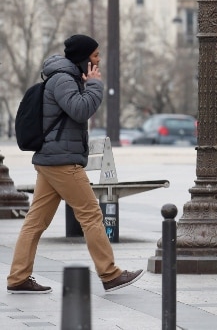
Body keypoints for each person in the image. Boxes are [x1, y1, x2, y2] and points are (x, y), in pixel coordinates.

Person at [7, 34, 144, 294]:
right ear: (83, 59)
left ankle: (18, 277)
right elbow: (80, 110)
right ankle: (110, 273)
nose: (98, 60)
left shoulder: (65, 78)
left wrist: (86, 85)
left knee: (35, 221)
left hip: (53, 159)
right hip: (62, 162)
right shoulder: (62, 79)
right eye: (95, 56)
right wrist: (95, 86)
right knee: (91, 215)